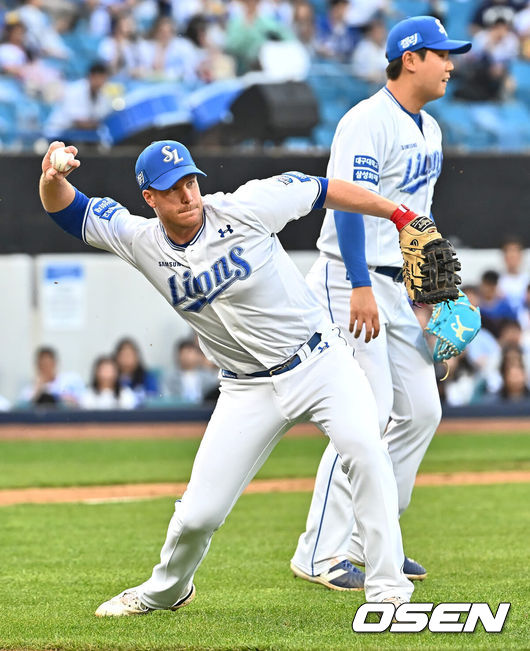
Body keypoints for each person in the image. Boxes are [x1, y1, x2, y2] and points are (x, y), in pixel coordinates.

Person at [39, 138, 427, 616]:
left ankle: (388, 590)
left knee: (366, 451)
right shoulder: (140, 240)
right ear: (150, 199)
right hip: (246, 388)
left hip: (319, 361)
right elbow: (68, 211)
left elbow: (324, 189)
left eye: (189, 181)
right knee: (199, 515)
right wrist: (51, 179)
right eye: (171, 188)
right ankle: (167, 590)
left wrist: (399, 215)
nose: (186, 195)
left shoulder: (247, 206)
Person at [290, 15, 472, 591]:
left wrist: (435, 301)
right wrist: (363, 284)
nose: (451, 63)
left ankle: (377, 540)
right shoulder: (365, 122)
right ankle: (319, 552)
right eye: (442, 54)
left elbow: (421, 225)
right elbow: (344, 206)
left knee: (421, 411)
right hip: (352, 278)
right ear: (410, 57)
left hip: (400, 285)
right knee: (364, 418)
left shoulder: (432, 130)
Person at [18, 345, 84, 407]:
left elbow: (84, 402)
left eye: (48, 364)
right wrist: (37, 391)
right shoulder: (29, 389)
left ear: (55, 363)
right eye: (42, 365)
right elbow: (20, 409)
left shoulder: (69, 380)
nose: (45, 368)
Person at [113, 337, 159, 403]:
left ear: (137, 357)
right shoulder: (111, 379)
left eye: (130, 355)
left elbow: (153, 399)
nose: (126, 360)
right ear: (117, 357)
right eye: (123, 355)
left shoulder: (147, 378)